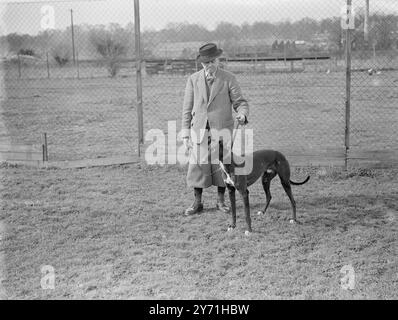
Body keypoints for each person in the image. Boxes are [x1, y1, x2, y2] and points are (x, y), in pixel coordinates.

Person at [181, 43, 249, 216]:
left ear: (218, 60)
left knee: (222, 166)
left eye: (212, 61)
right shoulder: (193, 79)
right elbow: (187, 108)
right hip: (199, 130)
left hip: (222, 129)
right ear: (201, 63)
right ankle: (197, 202)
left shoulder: (228, 78)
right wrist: (186, 133)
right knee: (198, 166)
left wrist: (242, 114)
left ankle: (221, 201)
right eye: (206, 63)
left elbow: (240, 102)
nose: (209, 65)